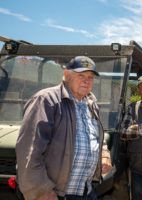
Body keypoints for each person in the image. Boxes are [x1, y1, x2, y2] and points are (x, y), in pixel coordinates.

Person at [16, 56, 111, 200]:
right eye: (81, 75)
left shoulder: (91, 104)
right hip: (56, 193)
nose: (86, 80)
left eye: (90, 77)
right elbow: (29, 151)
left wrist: (104, 154)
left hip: (86, 190)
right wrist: (40, 191)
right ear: (67, 75)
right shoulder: (47, 100)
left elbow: (97, 137)